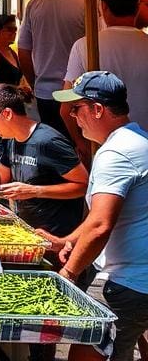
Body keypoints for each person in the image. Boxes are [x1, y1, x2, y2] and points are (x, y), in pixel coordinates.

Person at [46, 72, 148, 361]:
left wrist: (68, 274)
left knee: (84, 355)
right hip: (137, 278)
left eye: (76, 108)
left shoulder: (115, 152)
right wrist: (66, 241)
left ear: (98, 109)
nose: (72, 116)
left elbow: (102, 224)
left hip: (128, 281)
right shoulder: (138, 139)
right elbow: (104, 218)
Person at [0, 84, 87, 238]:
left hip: (56, 236)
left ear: (7, 113)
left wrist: (35, 191)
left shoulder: (48, 141)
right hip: (29, 233)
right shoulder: (11, 140)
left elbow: (83, 185)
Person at [64, 0, 148, 134]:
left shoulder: (84, 46)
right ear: (137, 7)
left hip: (103, 142)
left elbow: (66, 106)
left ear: (103, 7)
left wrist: (81, 144)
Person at [17, 0, 85, 137]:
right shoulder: (88, 2)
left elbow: (23, 50)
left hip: (45, 91)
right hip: (79, 93)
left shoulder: (36, 3)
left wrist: (34, 82)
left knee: (51, 148)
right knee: (80, 148)